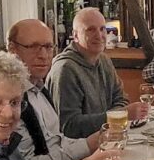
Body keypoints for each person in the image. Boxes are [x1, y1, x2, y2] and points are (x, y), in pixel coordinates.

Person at [7, 18, 103, 160]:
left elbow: (57, 140)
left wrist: (93, 142)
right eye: (33, 47)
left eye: (48, 47)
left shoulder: (40, 89)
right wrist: (87, 146)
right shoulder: (10, 101)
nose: (43, 55)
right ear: (12, 50)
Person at [47, 7, 148, 136]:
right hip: (79, 152)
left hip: (107, 139)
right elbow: (69, 126)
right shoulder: (65, 70)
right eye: (90, 30)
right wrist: (119, 116)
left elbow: (121, 98)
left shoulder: (104, 59)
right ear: (76, 35)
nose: (99, 35)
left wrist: (116, 116)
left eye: (102, 29)